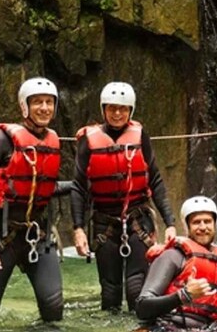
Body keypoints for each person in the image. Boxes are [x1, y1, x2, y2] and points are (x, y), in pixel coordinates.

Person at [0, 77, 70, 326]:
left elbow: (46, 187)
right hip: (2, 237)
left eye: (49, 102)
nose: (44, 108)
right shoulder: (2, 140)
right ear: (25, 107)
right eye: (37, 102)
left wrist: (81, 186)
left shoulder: (51, 141)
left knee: (54, 310)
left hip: (37, 235)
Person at [71, 82, 177, 312]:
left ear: (131, 110)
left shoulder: (140, 137)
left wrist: (170, 222)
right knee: (110, 292)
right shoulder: (88, 141)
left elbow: (155, 180)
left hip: (138, 221)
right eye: (111, 108)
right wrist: (78, 228)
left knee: (136, 289)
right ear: (103, 109)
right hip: (104, 224)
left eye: (123, 108)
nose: (117, 113)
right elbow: (78, 187)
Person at [136, 196, 217, 329]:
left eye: (208, 221)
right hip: (173, 327)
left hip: (210, 331)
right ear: (187, 226)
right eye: (196, 222)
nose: (203, 227)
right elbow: (142, 307)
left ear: (215, 224)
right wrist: (183, 296)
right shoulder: (172, 255)